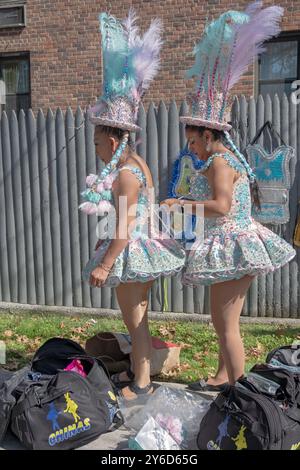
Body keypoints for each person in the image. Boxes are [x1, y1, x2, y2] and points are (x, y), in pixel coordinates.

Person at [161, 2, 295, 391]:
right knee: (222, 323)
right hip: (237, 241)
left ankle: (241, 394)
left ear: (208, 134)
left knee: (225, 325)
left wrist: (180, 204)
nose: (192, 149)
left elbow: (220, 206)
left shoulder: (220, 162)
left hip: (234, 245)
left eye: (193, 140)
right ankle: (223, 376)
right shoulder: (223, 158)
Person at [79, 11, 185, 401]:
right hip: (144, 249)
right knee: (139, 319)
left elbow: (124, 226)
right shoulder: (136, 164)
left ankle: (142, 385)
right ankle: (140, 376)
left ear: (110, 141)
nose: (94, 150)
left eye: (95, 143)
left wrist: (106, 263)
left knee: (136, 321)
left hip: (131, 252)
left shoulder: (125, 173)